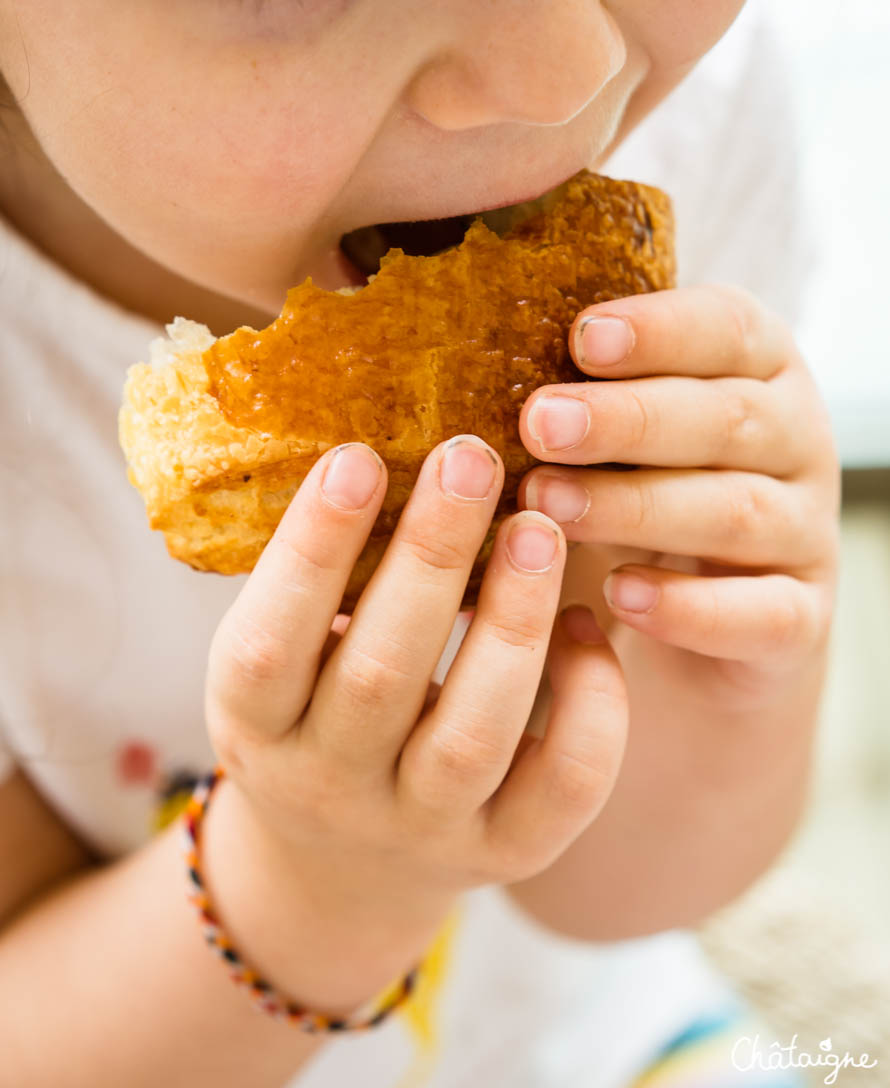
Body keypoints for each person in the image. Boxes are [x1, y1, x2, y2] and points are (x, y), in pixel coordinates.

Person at [0, 1, 838, 1085]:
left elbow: (623, 897)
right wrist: (307, 888)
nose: (568, 72)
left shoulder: (686, 130)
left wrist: (716, 648)